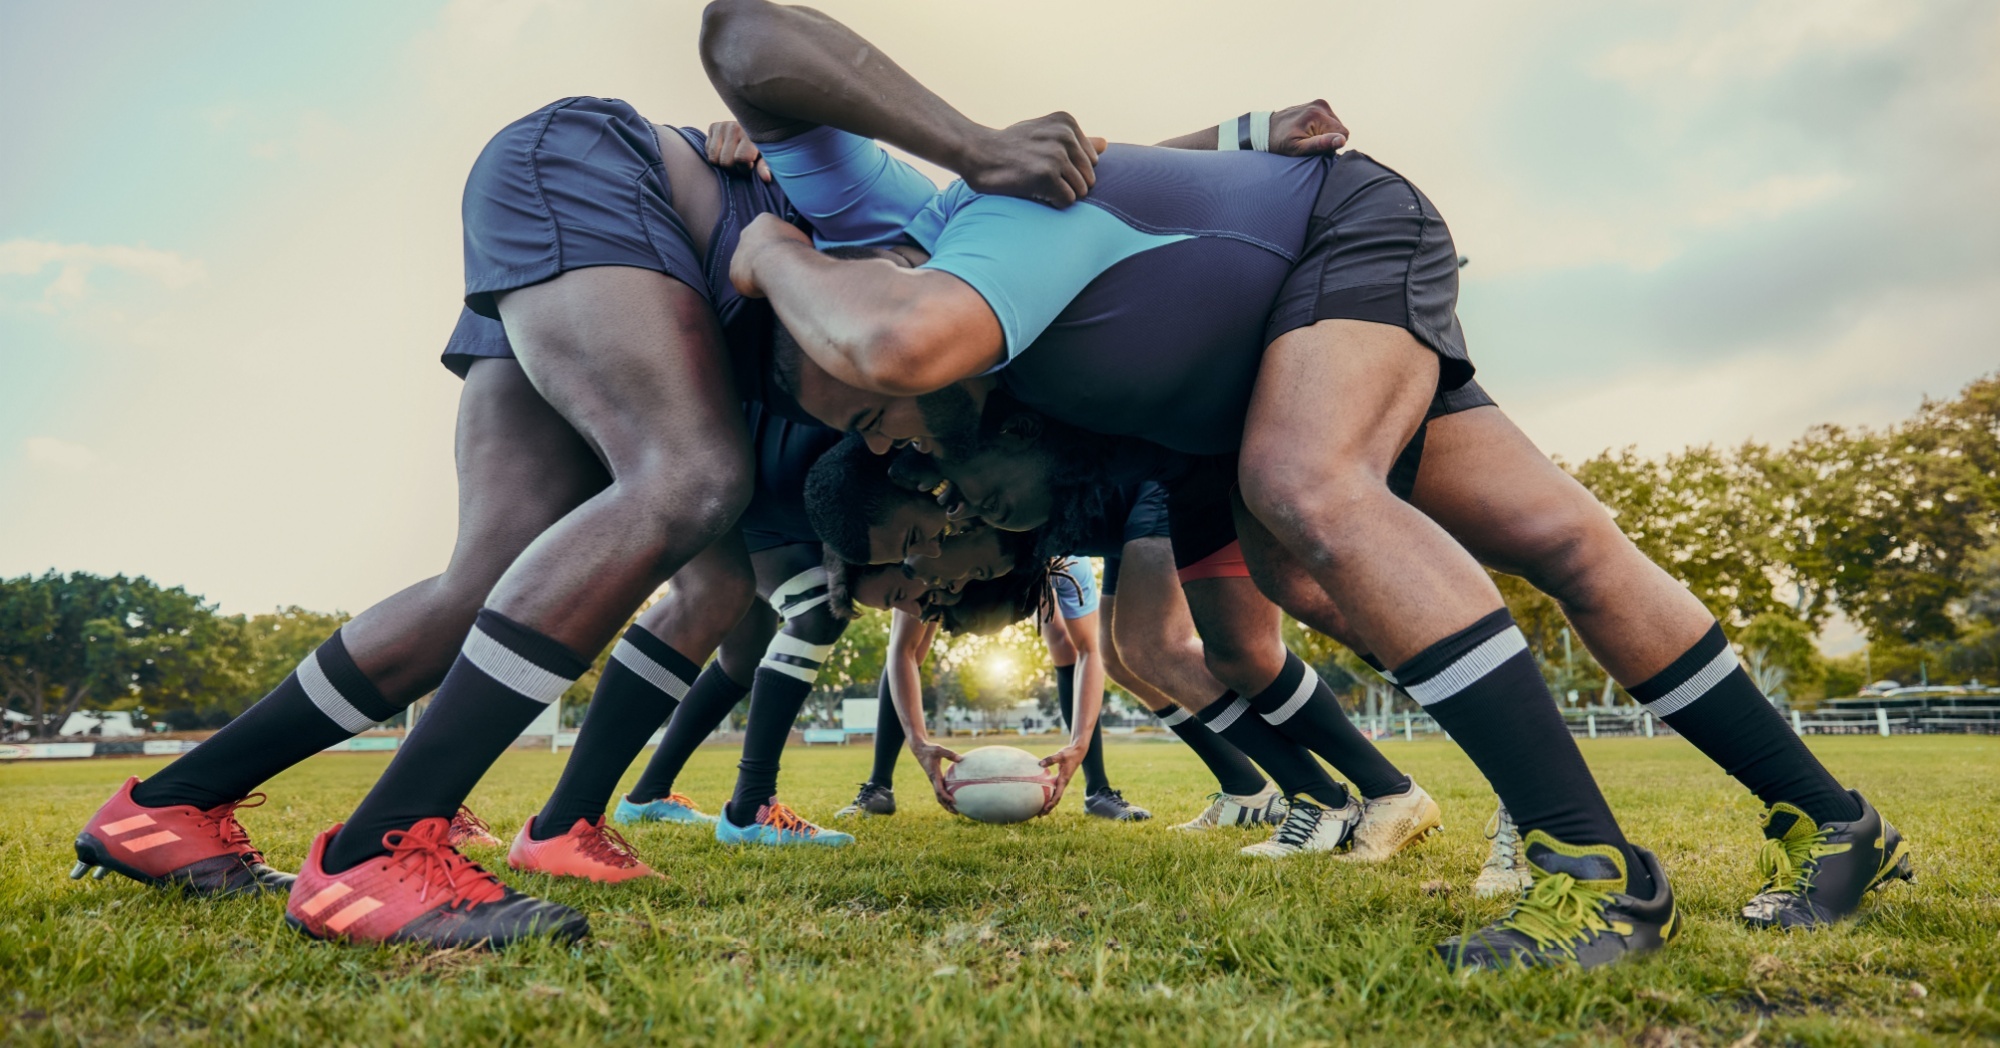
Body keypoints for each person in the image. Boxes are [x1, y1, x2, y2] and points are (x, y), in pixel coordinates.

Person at [699, 0, 1910, 968]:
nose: (890, 439)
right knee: (1546, 539)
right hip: (1264, 320)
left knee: (1306, 491)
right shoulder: (971, 397)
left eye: (864, 413)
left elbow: (742, 32)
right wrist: (1220, 139)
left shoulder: (920, 233)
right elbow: (1113, 203)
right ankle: (1833, 821)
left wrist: (778, 243)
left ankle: (1591, 871)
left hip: (1331, 240)